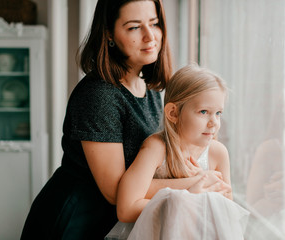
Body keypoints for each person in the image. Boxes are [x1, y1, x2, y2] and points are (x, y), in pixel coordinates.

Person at [21, 1, 227, 239]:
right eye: (134, 27)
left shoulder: (147, 87)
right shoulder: (99, 95)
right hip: (76, 221)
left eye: (154, 23)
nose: (150, 36)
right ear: (109, 34)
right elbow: (116, 193)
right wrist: (194, 184)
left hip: (113, 221)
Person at [106, 64, 249, 240]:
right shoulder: (156, 148)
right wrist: (190, 193)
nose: (214, 123)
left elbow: (228, 209)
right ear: (173, 113)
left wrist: (203, 185)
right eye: (204, 112)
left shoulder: (218, 153)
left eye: (218, 113)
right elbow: (126, 209)